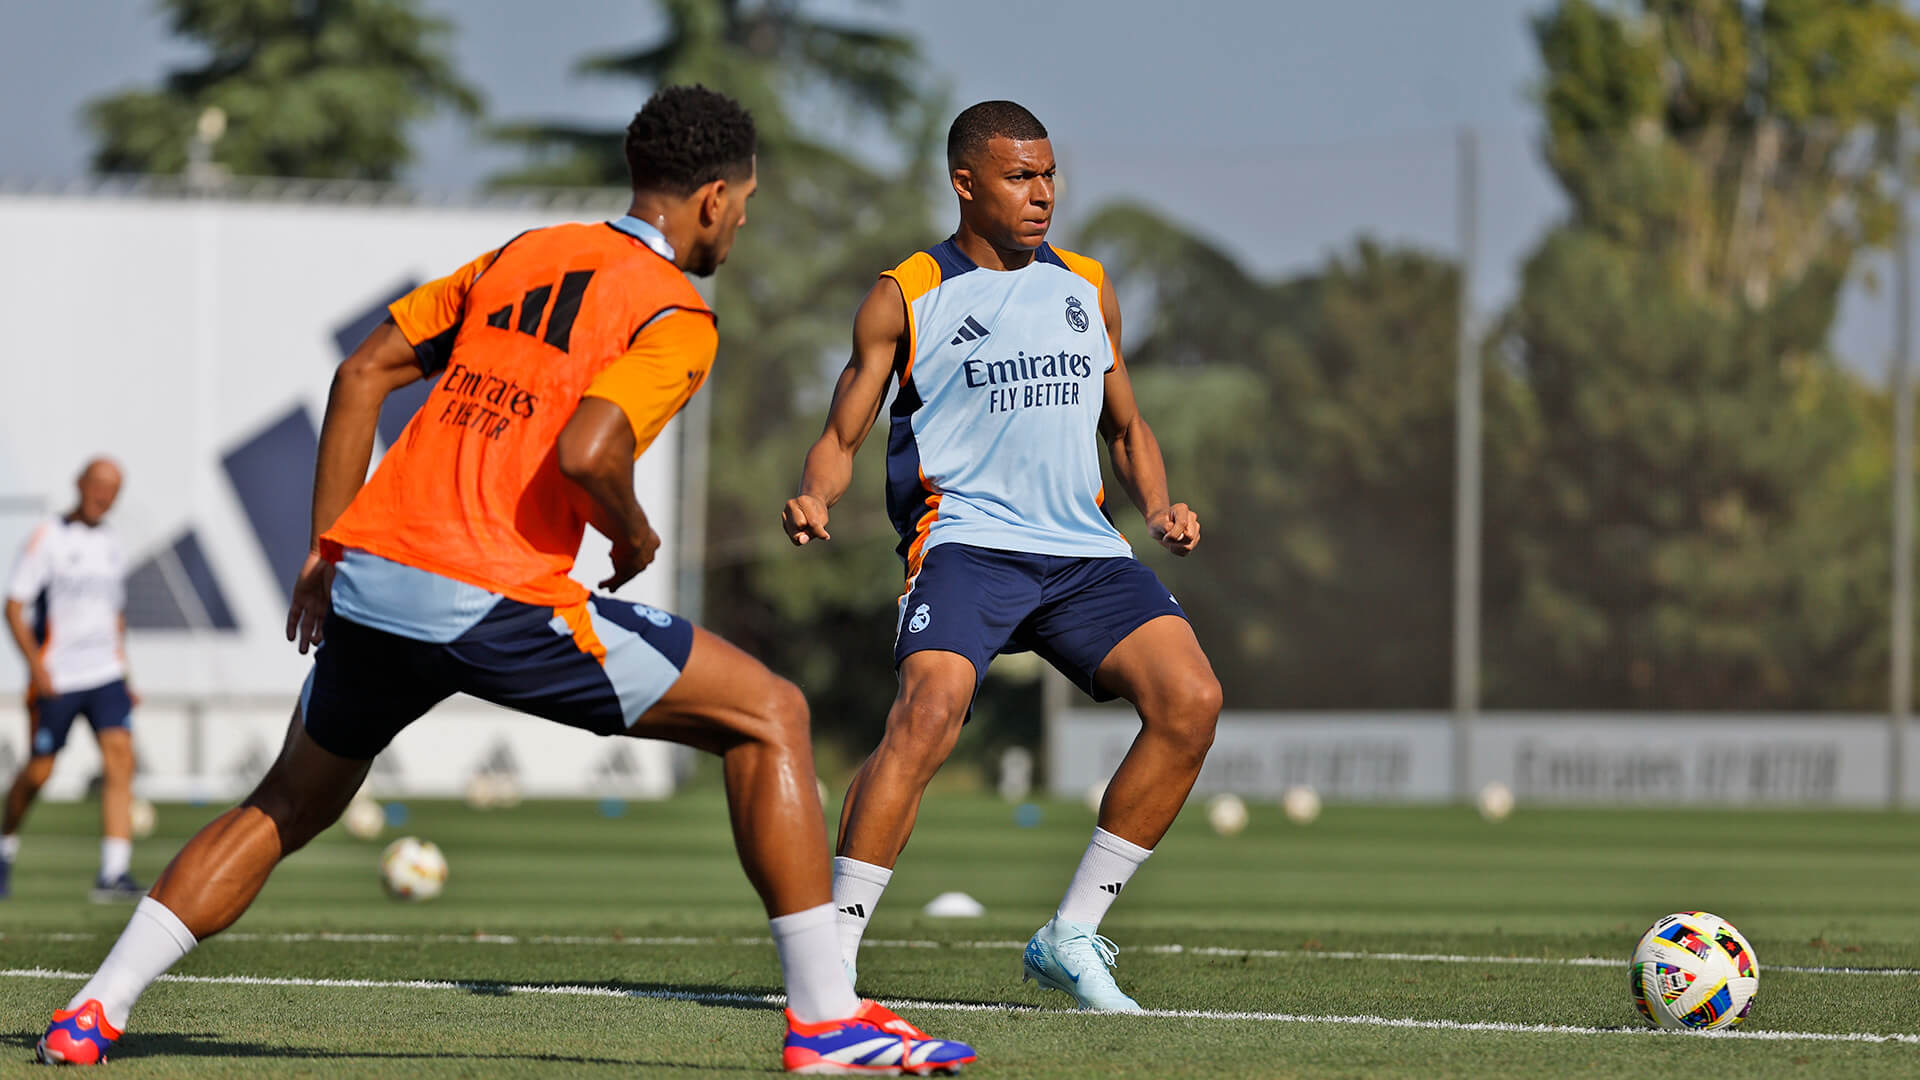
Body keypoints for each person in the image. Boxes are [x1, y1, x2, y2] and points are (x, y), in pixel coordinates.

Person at [38, 86, 973, 1076]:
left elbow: (363, 373)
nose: (741, 220)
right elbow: (589, 449)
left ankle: (93, 1009)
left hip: (377, 581)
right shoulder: (674, 311)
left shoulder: (525, 254)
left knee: (285, 804)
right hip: (490, 593)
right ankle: (827, 1020)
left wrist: (327, 548)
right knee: (772, 713)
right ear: (710, 199)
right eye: (743, 201)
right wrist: (634, 531)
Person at [783, 100, 1222, 1012]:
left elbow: (1127, 425)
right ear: (965, 182)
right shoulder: (905, 293)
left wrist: (1160, 505)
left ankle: (1070, 936)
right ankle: (833, 962)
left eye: (1050, 174)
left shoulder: (1086, 286)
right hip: (968, 544)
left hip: (1082, 554)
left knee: (1192, 701)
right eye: (1021, 176)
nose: (1043, 194)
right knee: (931, 708)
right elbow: (844, 427)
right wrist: (816, 495)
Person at [2, 458, 142, 904]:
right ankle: (4, 845)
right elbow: (15, 607)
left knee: (120, 759)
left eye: (113, 489)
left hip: (105, 674)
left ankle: (113, 872)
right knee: (40, 772)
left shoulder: (112, 543)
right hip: (58, 678)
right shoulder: (48, 538)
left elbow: (113, 615)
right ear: (80, 484)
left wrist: (125, 671)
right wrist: (36, 667)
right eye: (99, 485)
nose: (105, 496)